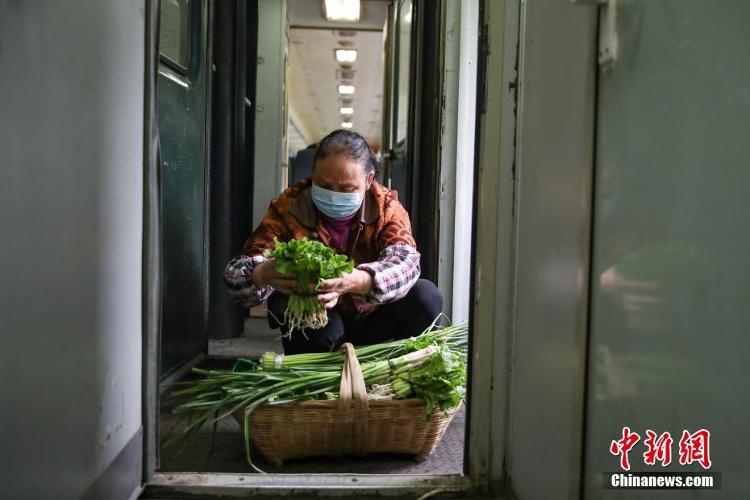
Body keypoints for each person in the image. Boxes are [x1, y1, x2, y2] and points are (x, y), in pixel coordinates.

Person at [224, 129, 442, 354]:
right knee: (316, 329)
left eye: (347, 189)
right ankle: (317, 375)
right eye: (324, 186)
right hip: (316, 321)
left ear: (368, 180)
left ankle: (388, 366)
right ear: (312, 175)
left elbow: (406, 263)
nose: (334, 195)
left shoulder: (387, 208)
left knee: (426, 297)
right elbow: (235, 274)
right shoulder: (289, 208)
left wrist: (359, 280)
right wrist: (262, 274)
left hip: (374, 317)